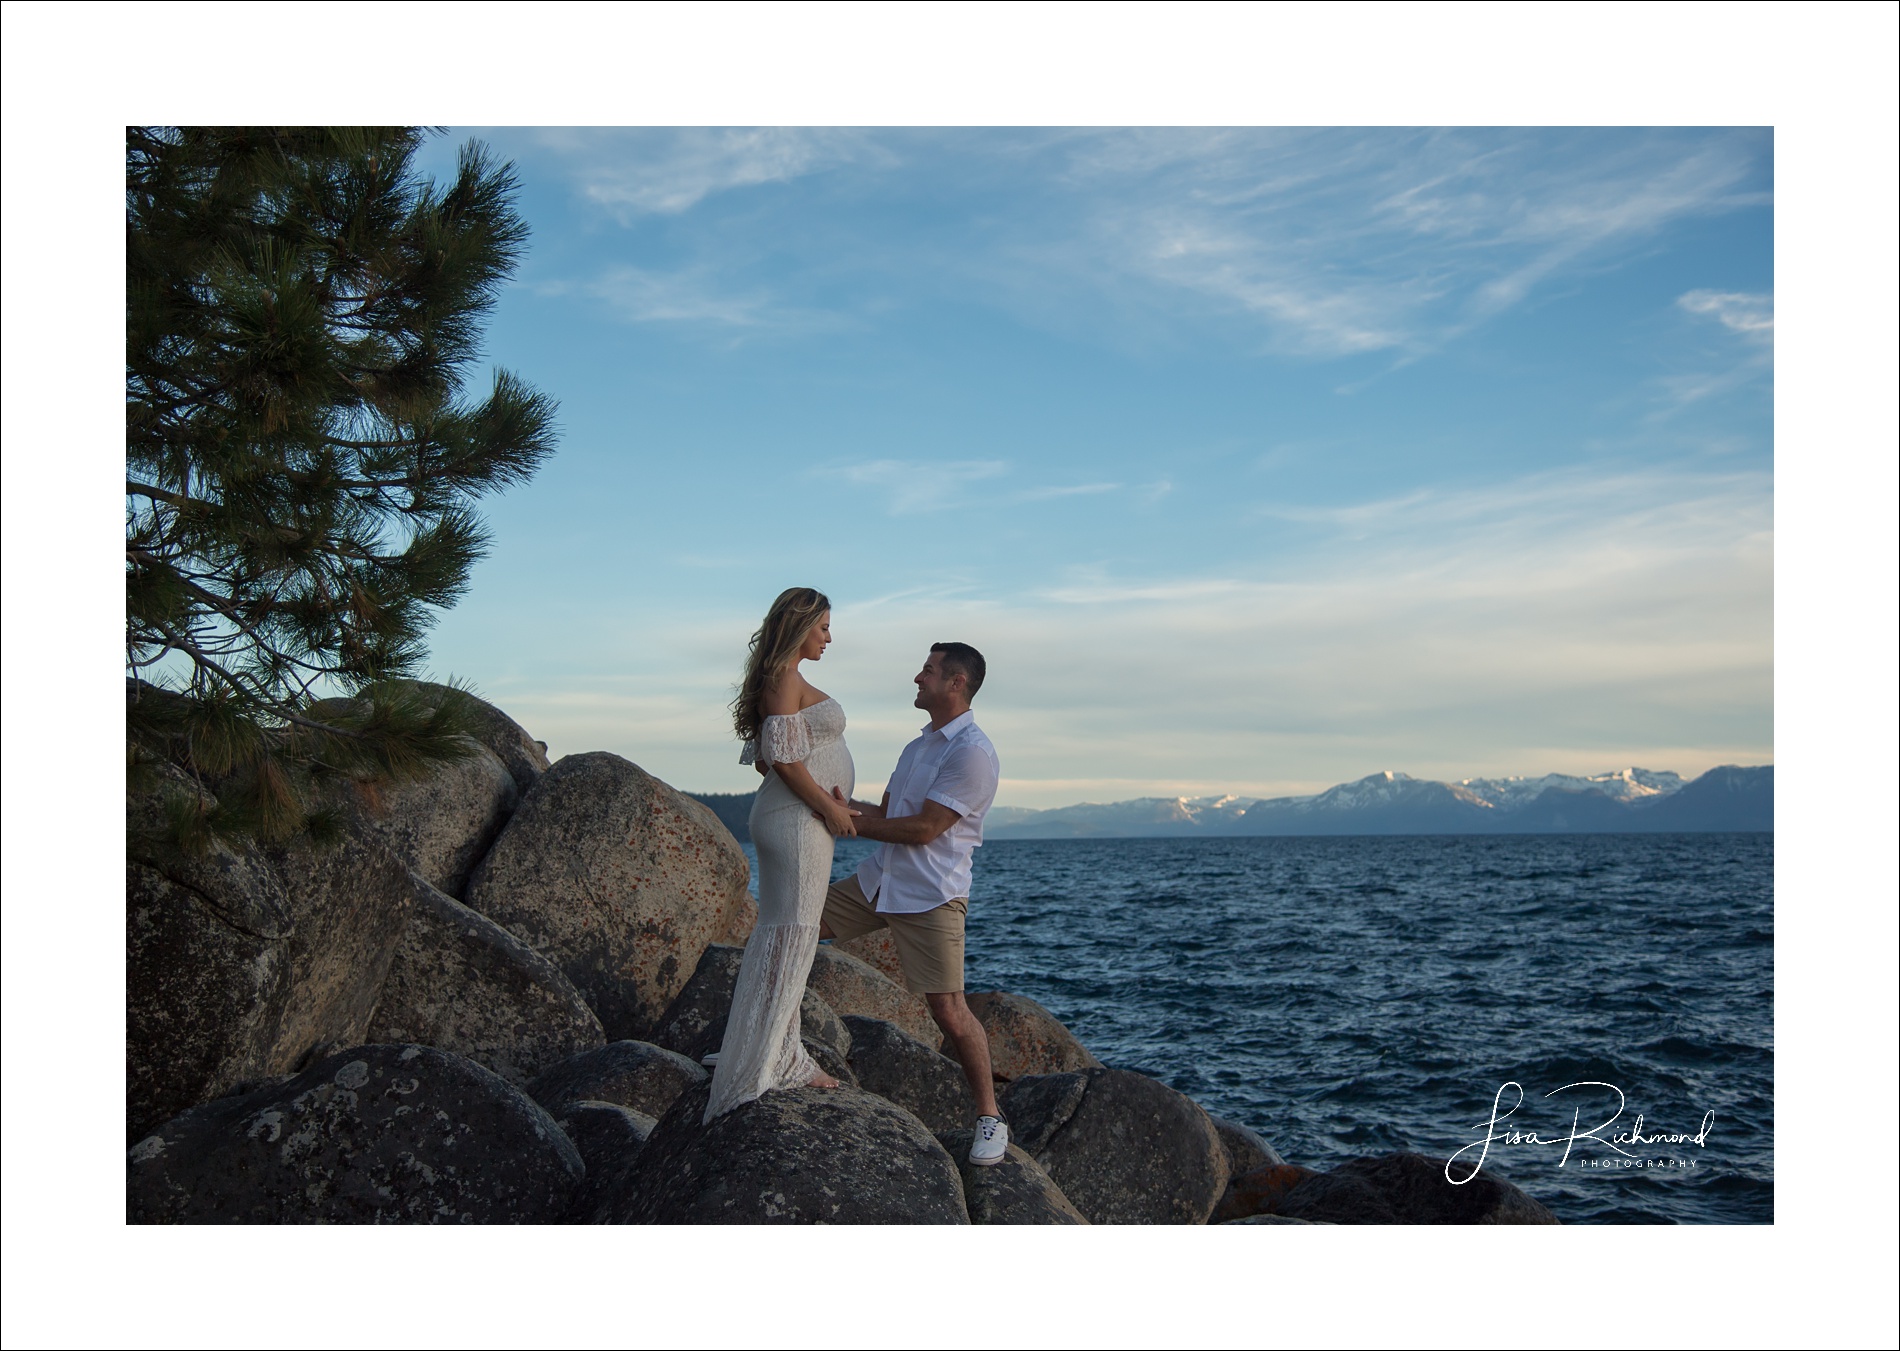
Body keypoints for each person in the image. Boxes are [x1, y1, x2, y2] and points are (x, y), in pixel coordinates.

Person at [820, 641, 1008, 1166]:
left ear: (956, 684)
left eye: (927, 670)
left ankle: (990, 1117)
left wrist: (849, 824)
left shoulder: (971, 753)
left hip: (930, 897)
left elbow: (925, 829)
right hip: (880, 881)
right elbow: (884, 812)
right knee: (793, 928)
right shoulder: (918, 747)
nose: (917, 677)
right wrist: (833, 805)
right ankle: (766, 1043)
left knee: (949, 1011)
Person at [704, 587, 858, 1122]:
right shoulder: (783, 678)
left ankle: (777, 1051)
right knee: (792, 934)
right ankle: (763, 1063)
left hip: (795, 818)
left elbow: (770, 761)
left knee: (785, 934)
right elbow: (784, 765)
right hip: (797, 822)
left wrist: (823, 798)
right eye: (823, 628)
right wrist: (828, 809)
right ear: (799, 625)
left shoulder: (782, 678)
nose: (829, 638)